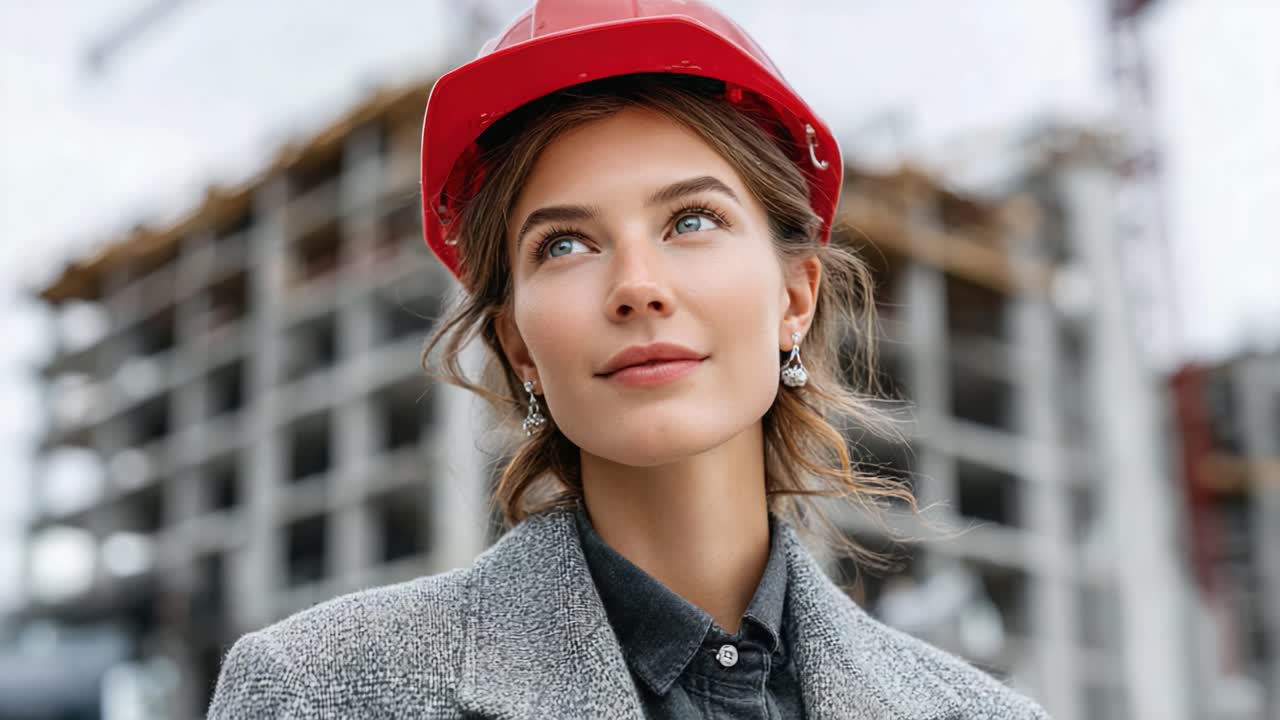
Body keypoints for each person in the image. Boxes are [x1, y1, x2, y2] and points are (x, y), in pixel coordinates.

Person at [208, 2, 1051, 718]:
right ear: (517, 346)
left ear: (796, 298)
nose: (637, 287)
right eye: (566, 243)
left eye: (691, 221)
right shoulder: (312, 693)